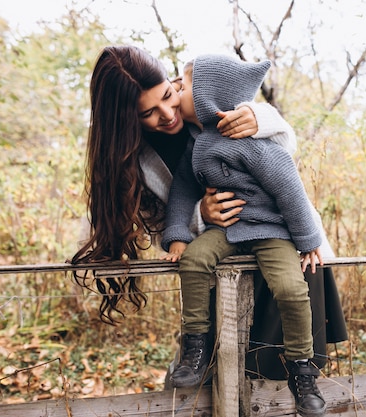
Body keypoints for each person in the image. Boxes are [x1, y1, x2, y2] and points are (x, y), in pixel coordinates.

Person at [71, 44, 347, 405]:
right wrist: (200, 215)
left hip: (285, 242)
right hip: (218, 259)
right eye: (149, 113)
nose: (169, 114)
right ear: (125, 121)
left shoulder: (202, 105)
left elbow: (280, 154)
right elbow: (162, 229)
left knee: (278, 380)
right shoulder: (129, 162)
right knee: (215, 384)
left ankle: (301, 378)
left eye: (170, 95)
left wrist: (260, 116)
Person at [161, 55, 327, 416]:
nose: (177, 92)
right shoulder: (198, 144)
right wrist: (177, 235)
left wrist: (308, 239)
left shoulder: (250, 139)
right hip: (227, 229)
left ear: (207, 95)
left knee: (290, 287)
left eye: (185, 86)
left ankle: (302, 366)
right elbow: (182, 191)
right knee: (194, 259)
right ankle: (195, 345)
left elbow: (288, 186)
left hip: (271, 230)